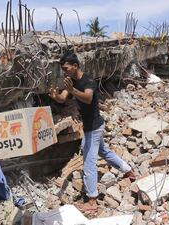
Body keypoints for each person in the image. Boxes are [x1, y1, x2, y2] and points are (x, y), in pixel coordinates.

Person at [48, 52, 135, 214]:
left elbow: (88, 98)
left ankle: (92, 200)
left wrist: (72, 90)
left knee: (88, 161)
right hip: (91, 126)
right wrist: (56, 96)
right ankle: (128, 171)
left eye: (66, 68)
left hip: (94, 127)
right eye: (62, 69)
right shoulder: (71, 82)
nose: (64, 72)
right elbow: (63, 98)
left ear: (75, 66)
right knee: (104, 151)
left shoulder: (88, 80)